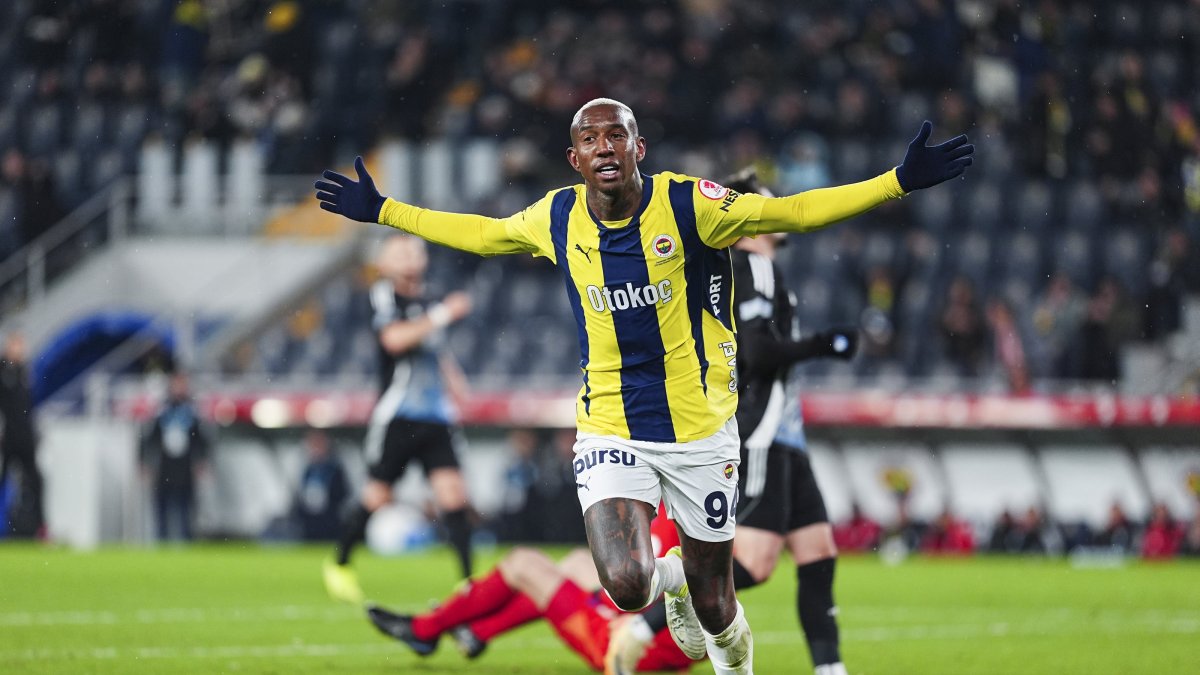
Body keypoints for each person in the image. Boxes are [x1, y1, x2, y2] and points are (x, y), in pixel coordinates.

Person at [315, 98, 973, 673]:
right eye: (591, 139)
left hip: (702, 432)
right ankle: (667, 592)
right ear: (574, 157)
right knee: (627, 587)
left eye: (617, 135)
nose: (605, 147)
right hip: (611, 426)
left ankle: (704, 615)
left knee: (717, 605)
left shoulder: (691, 203)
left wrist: (895, 182)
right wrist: (384, 211)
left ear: (638, 147)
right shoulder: (557, 217)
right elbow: (484, 235)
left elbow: (794, 212)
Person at [606, 169, 860, 675]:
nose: (773, 207)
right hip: (764, 426)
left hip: (783, 430)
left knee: (817, 550)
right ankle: (652, 614)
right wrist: (826, 343)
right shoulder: (753, 263)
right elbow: (759, 351)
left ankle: (831, 669)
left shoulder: (726, 264)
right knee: (756, 562)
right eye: (763, 202)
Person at [323, 233, 476, 604]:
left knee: (453, 494)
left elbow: (433, 347)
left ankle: (468, 584)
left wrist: (454, 380)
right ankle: (340, 562)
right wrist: (442, 314)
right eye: (401, 251)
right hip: (399, 414)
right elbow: (394, 340)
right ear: (384, 264)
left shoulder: (429, 298)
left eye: (415, 249)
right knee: (377, 495)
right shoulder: (384, 296)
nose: (410, 256)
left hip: (435, 415)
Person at [365, 504, 692, 673]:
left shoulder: (668, 508)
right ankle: (476, 632)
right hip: (672, 640)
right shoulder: (687, 504)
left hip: (624, 642)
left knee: (523, 563)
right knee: (576, 562)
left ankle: (426, 629)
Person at [139, 370, 210, 542]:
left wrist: (202, 461)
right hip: (165, 467)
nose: (180, 388)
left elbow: (201, 439)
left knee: (186, 510)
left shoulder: (193, 410)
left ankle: (187, 544)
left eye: (183, 384)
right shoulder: (162, 409)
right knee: (162, 510)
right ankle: (161, 544)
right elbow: (149, 437)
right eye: (177, 384)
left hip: (185, 468)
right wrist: (143, 462)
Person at [0, 331, 44, 538]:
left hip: (25, 438)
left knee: (37, 482)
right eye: (16, 345)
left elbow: (29, 407)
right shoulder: (3, 371)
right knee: (3, 482)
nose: (20, 350)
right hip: (7, 438)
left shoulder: (25, 371)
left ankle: (41, 528)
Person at [293, 429, 350, 541]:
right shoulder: (306, 469)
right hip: (309, 523)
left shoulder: (334, 469)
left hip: (330, 521)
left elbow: (343, 493)